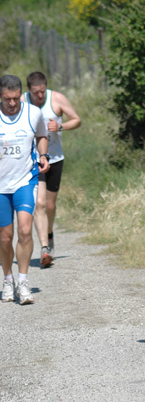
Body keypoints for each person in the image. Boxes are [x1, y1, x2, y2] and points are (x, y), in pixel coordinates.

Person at [23, 72, 81, 267]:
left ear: (45, 87)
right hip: (33, 160)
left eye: (41, 92)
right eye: (35, 93)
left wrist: (60, 126)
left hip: (55, 158)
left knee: (49, 206)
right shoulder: (22, 101)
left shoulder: (57, 99)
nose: (39, 97)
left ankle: (49, 234)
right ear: (29, 90)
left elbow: (77, 120)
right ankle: (44, 248)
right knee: (38, 204)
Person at [0, 74, 49, 304]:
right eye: (7, 99)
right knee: (4, 237)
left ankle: (23, 281)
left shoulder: (33, 112)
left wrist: (43, 154)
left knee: (25, 230)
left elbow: (41, 135)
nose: (12, 103)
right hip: (1, 185)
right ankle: (8, 279)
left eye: (16, 98)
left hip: (25, 180)